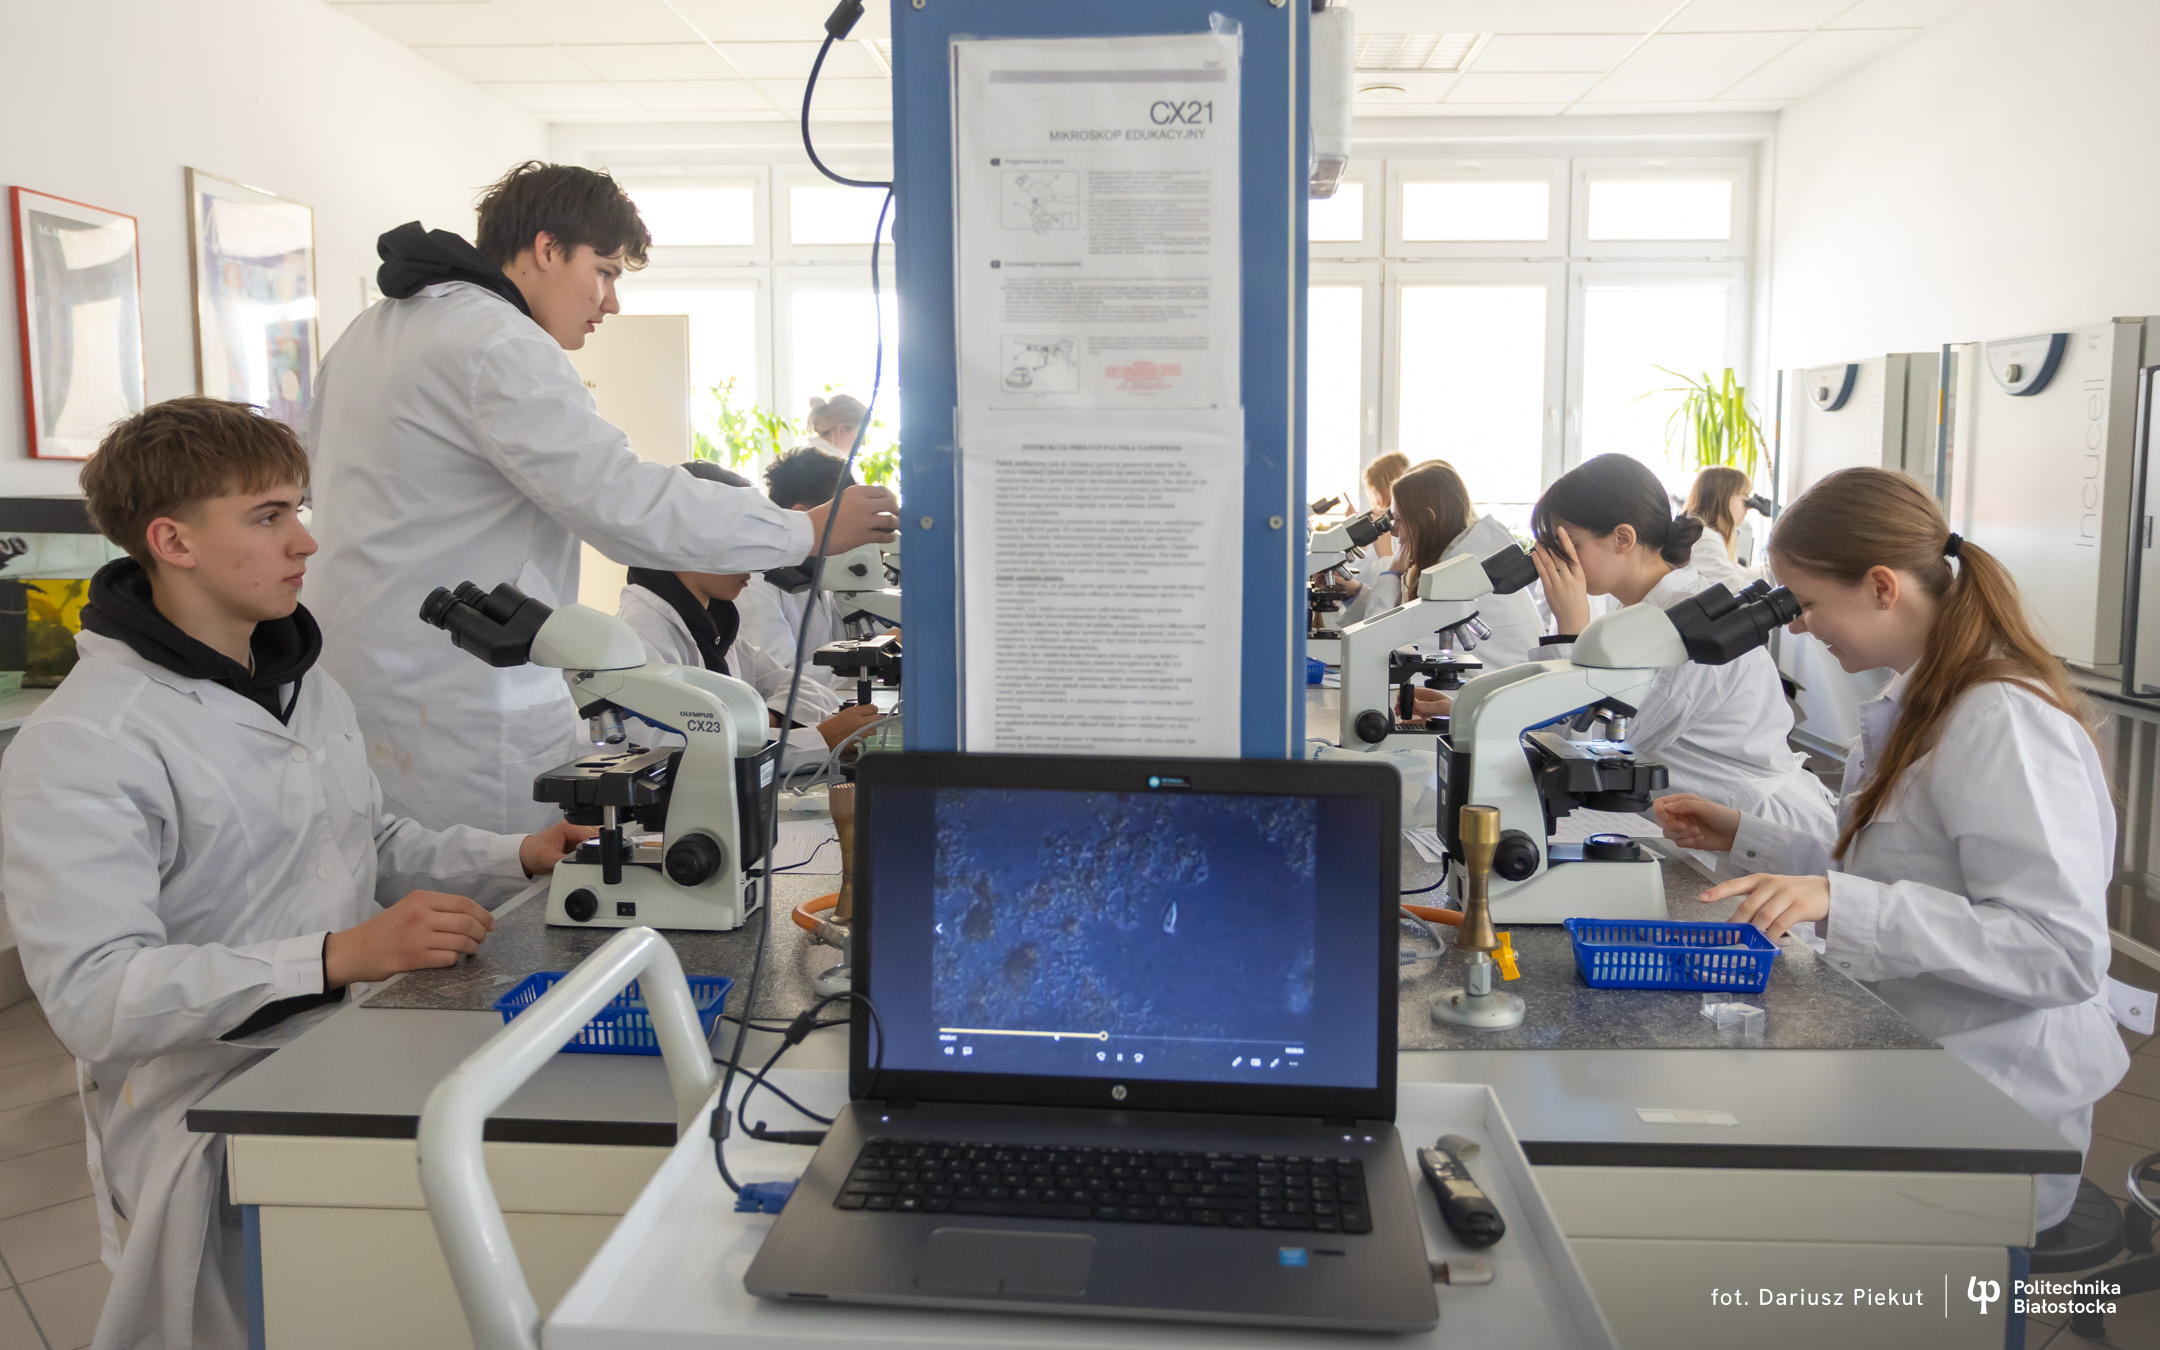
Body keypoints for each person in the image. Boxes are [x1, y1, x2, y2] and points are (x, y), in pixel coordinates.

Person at [0, 399, 591, 1350]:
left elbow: (366, 839)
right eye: (269, 516)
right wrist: (332, 957)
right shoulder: (87, 741)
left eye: (298, 508)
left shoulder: (300, 682)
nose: (305, 541)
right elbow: (93, 996)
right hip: (208, 1102)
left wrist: (517, 854)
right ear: (172, 541)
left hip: (346, 1044)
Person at [304, 161, 897, 834]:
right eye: (605, 272)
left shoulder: (372, 331)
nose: (611, 303)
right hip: (455, 710)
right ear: (547, 248)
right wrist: (806, 532)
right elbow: (622, 500)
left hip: (367, 691)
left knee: (398, 882)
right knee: (482, 894)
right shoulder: (497, 342)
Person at [1654, 467, 2126, 1230]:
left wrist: (1842, 903)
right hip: (1922, 1061)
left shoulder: (2002, 720)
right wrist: (1747, 836)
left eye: (1805, 604)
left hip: (1995, 1106)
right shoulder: (1923, 698)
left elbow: (2059, 951)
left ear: (1881, 586)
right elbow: (1902, 870)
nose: (1797, 627)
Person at [1529, 453, 1835, 836]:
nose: (1556, 560)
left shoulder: (1687, 626)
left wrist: (1569, 631)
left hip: (1757, 831)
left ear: (1623, 538)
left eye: (1567, 543)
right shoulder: (1642, 610)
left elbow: (1590, 748)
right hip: (1697, 822)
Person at [616, 462, 881, 773]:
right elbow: (677, 754)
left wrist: (759, 721)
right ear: (688, 536)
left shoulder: (717, 627)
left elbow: (808, 689)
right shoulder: (636, 640)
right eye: (742, 539)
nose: (757, 562)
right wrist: (819, 741)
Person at [1335, 461, 1541, 672]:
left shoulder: (1461, 570)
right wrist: (1354, 593)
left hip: (1500, 685)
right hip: (1495, 680)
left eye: (1398, 520)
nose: (1393, 531)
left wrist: (1392, 571)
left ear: (1427, 518)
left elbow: (1376, 644)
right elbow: (1395, 622)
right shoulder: (1464, 552)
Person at [735, 445, 863, 701]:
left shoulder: (823, 569)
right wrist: (863, 658)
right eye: (845, 520)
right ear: (801, 515)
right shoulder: (753, 581)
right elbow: (778, 679)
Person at [1684, 464, 1757, 591]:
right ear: (1724, 498)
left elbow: (1738, 572)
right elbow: (1733, 586)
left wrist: (1774, 569)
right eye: (1745, 499)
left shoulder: (1709, 535)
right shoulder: (1704, 538)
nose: (1748, 508)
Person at [803, 392, 867, 457]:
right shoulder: (830, 461)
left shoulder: (805, 456)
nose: (863, 442)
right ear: (841, 430)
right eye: (860, 434)